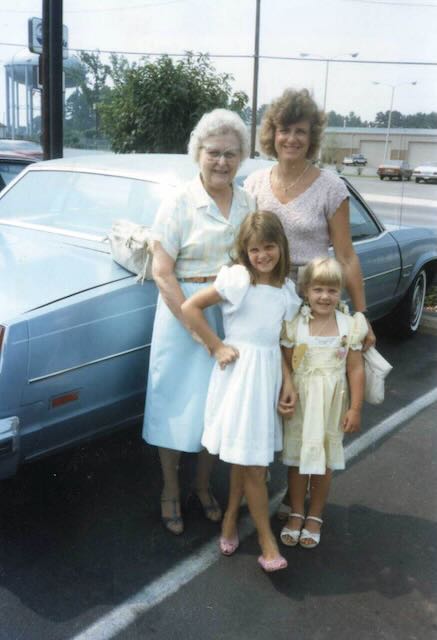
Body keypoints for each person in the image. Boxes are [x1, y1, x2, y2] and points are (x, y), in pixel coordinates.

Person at [244, 87, 375, 519]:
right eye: (284, 130)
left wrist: (361, 315)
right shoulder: (254, 183)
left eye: (300, 131)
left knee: (305, 399)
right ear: (272, 133)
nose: (292, 139)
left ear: (312, 136)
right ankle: (256, 484)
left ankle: (297, 498)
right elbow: (244, 245)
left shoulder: (330, 187)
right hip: (265, 301)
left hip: (311, 305)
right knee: (265, 391)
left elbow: (347, 256)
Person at [143, 109, 255, 535]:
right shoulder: (177, 202)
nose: (222, 162)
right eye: (213, 152)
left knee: (217, 406)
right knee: (176, 404)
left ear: (241, 157)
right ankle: (171, 489)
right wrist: (193, 327)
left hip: (230, 314)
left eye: (231, 154)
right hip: (183, 313)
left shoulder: (247, 202)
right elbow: (162, 273)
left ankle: (203, 487)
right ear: (198, 153)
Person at [182, 212, 301, 571]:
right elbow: (190, 307)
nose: (262, 255)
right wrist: (217, 346)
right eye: (254, 249)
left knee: (246, 457)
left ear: (281, 246)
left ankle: (230, 518)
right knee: (254, 466)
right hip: (239, 378)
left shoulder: (286, 291)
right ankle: (267, 543)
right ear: (245, 252)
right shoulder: (238, 280)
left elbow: (278, 343)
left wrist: (288, 381)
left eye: (269, 247)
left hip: (266, 379)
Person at [279, 257, 366, 549]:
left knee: (324, 462)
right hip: (302, 402)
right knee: (297, 460)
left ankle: (315, 515)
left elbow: (355, 368)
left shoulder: (349, 326)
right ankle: (296, 512)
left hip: (332, 404)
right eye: (318, 289)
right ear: (306, 291)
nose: (325, 296)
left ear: (340, 291)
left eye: (332, 290)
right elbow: (285, 363)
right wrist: (285, 392)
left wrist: (355, 408)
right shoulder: (295, 324)